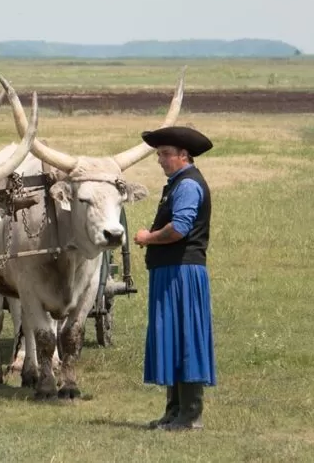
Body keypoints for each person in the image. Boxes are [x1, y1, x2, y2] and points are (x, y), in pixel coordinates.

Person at [133, 126, 216, 431]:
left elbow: (179, 228)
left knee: (186, 338)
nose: (160, 160)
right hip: (171, 271)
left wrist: (149, 237)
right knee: (174, 337)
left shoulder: (188, 185)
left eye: (165, 154)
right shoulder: (177, 183)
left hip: (182, 272)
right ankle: (174, 411)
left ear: (184, 155)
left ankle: (190, 415)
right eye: (159, 154)